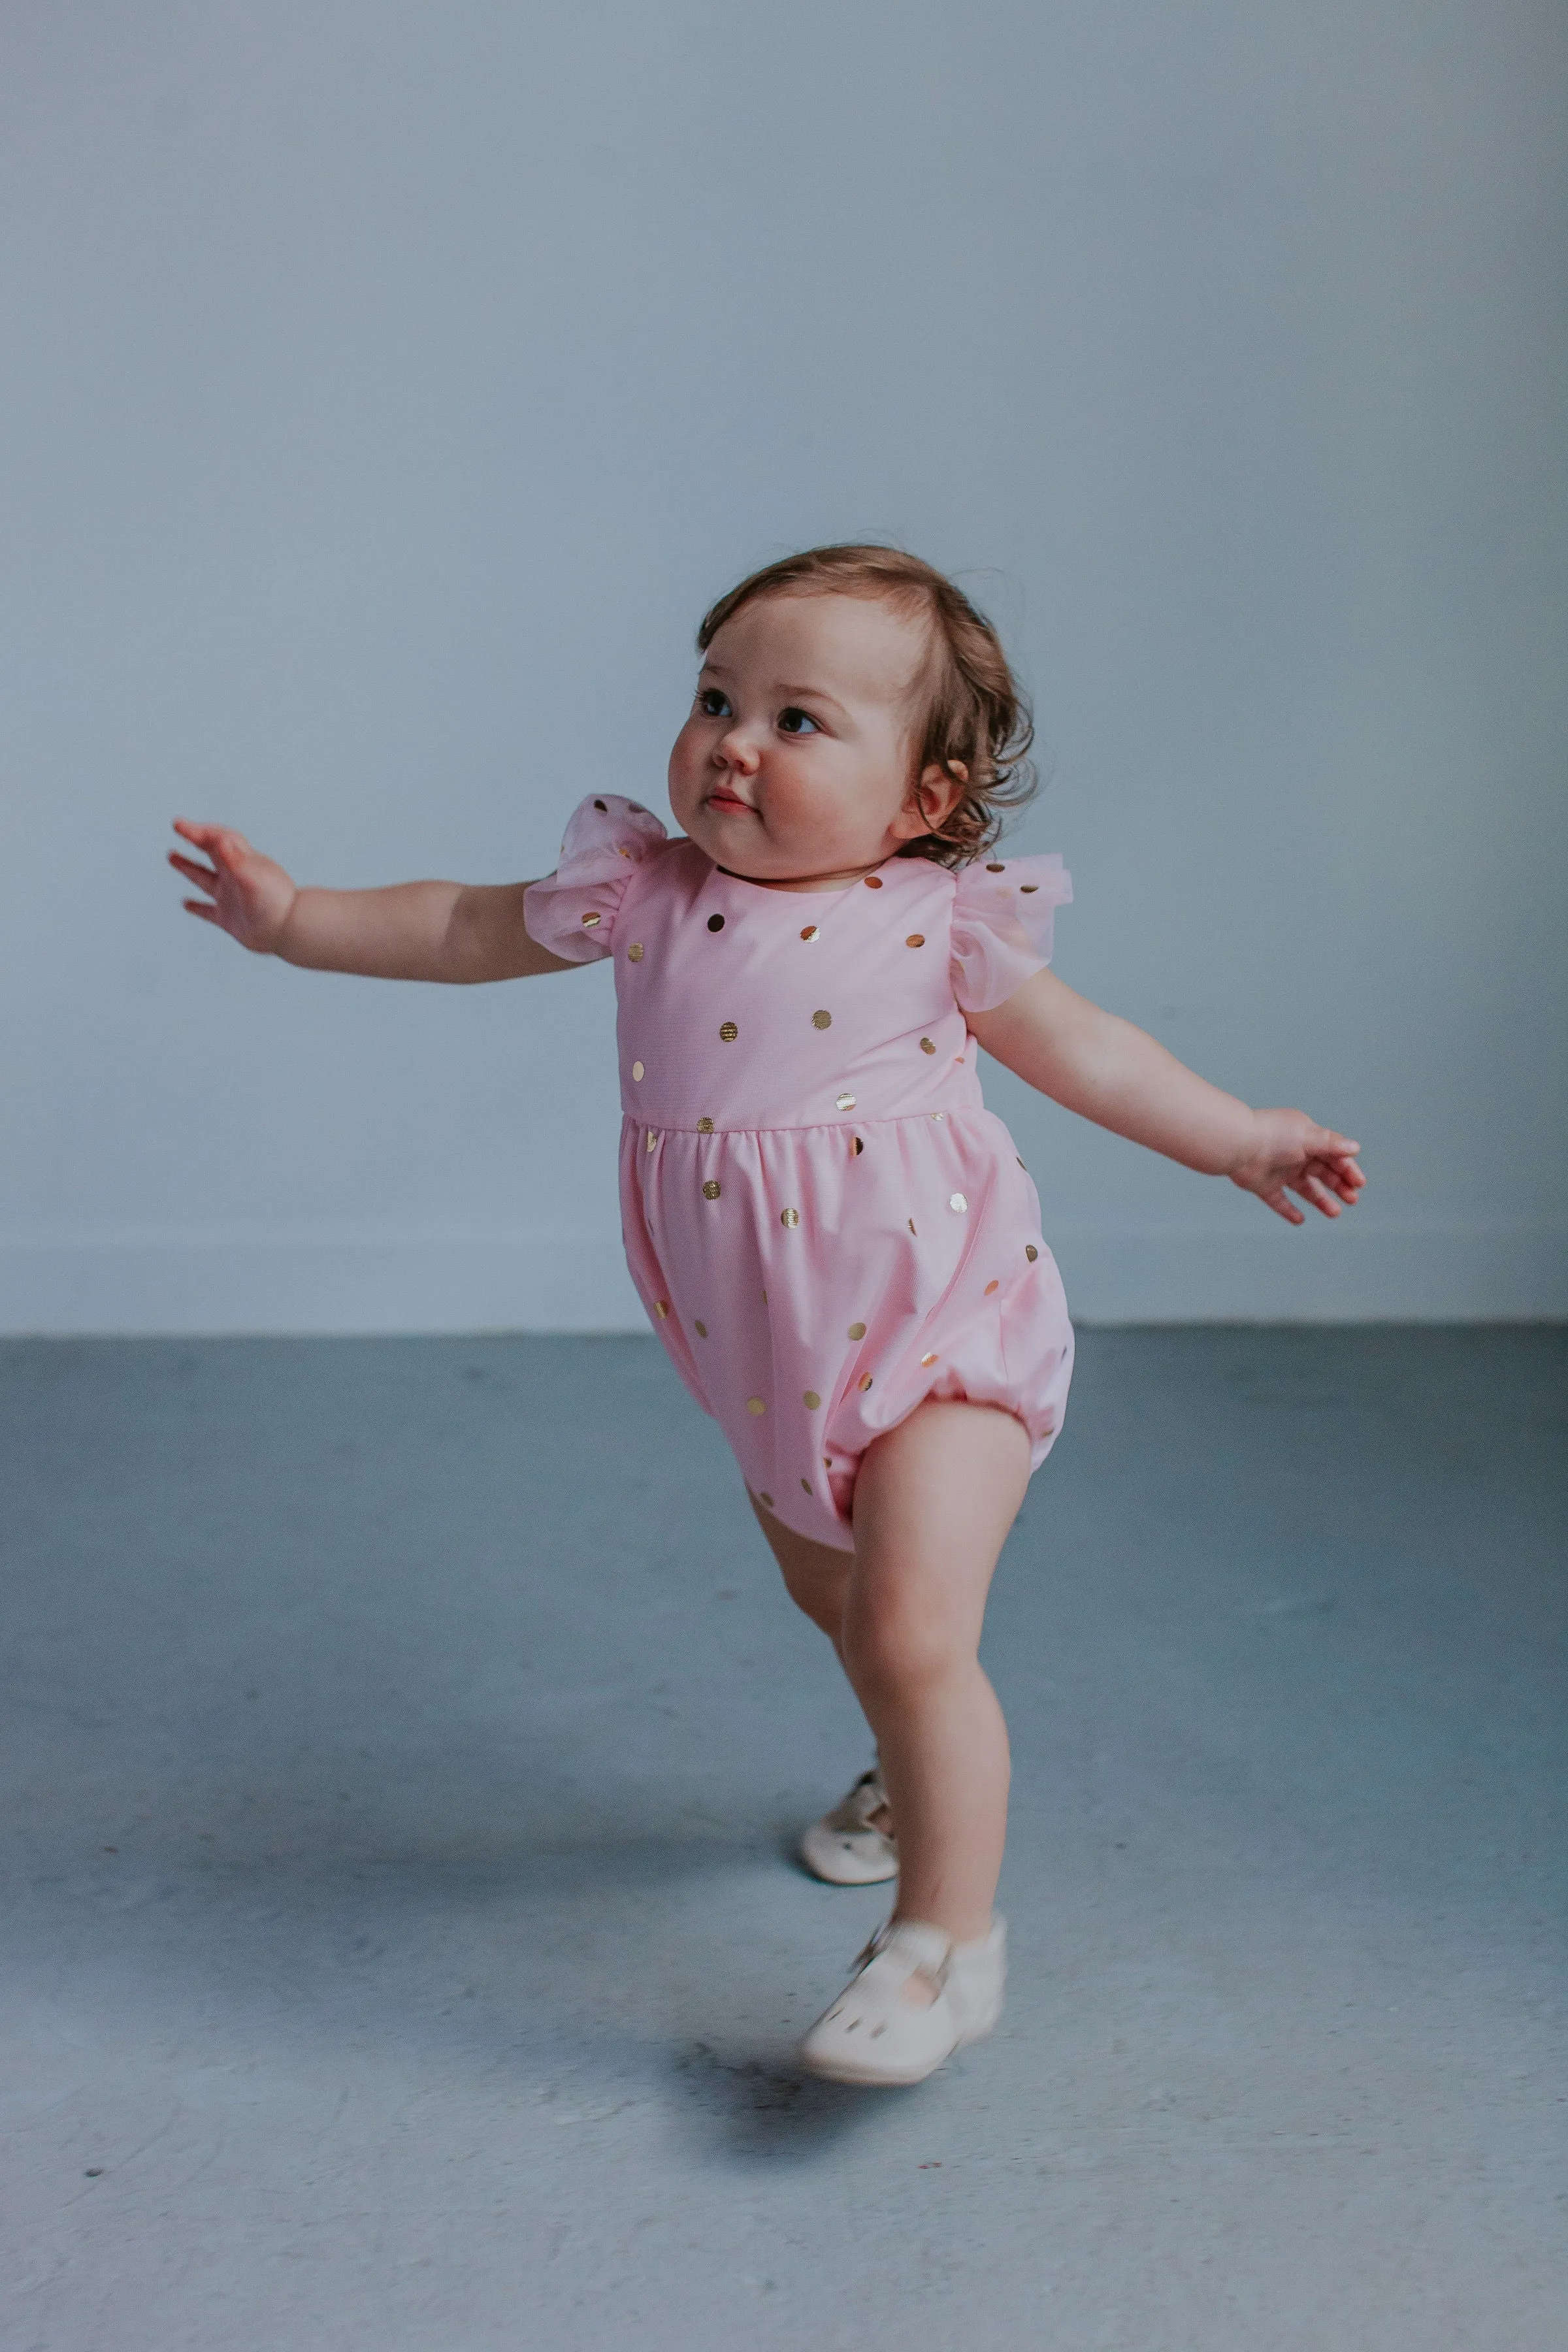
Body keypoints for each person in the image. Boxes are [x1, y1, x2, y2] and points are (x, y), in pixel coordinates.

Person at [169, 543, 1364, 2087]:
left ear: (921, 800)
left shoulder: (943, 925)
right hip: (769, 1367)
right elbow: (461, 927)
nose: (734, 739)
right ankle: (908, 1775)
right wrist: (294, 917)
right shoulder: (645, 894)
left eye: (800, 721)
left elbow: (1101, 1055)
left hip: (946, 1333)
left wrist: (1244, 1135)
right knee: (847, 1613)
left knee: (913, 1621)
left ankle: (943, 1949)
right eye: (718, 697)